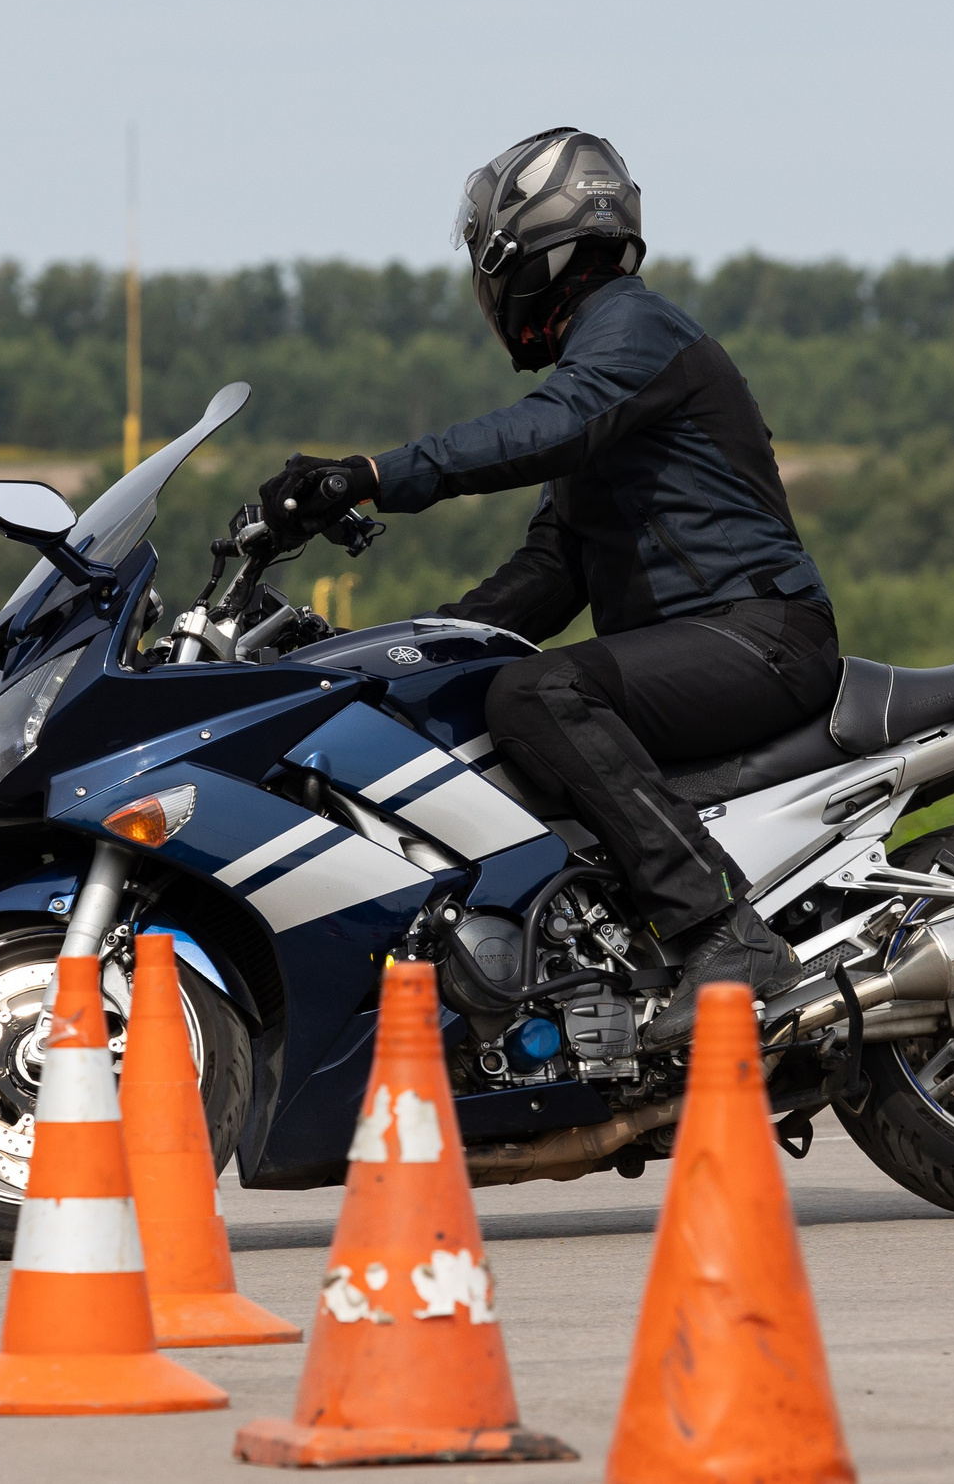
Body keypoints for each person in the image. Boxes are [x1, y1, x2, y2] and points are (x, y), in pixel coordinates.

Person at [258, 127, 837, 1050]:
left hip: (759, 636)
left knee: (537, 692)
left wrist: (371, 473)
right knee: (493, 689)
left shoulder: (632, 333)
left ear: (524, 251)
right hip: (716, 643)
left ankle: (724, 933)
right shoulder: (605, 377)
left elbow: (543, 430)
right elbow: (549, 571)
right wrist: (396, 656)